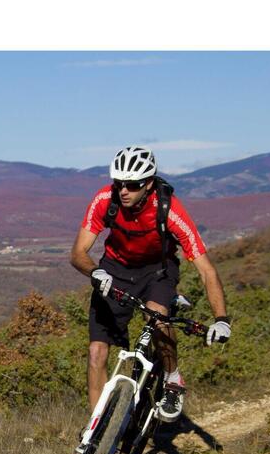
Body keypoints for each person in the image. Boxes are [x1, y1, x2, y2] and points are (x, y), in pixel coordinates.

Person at [70, 145, 231, 422]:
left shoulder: (169, 209)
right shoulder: (104, 200)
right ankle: (95, 433)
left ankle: (172, 379)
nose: (123, 191)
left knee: (156, 314)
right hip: (114, 269)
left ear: (149, 184)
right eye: (119, 183)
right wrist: (95, 272)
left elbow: (207, 271)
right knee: (96, 352)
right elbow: (77, 253)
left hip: (157, 271)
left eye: (132, 185)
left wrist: (221, 319)